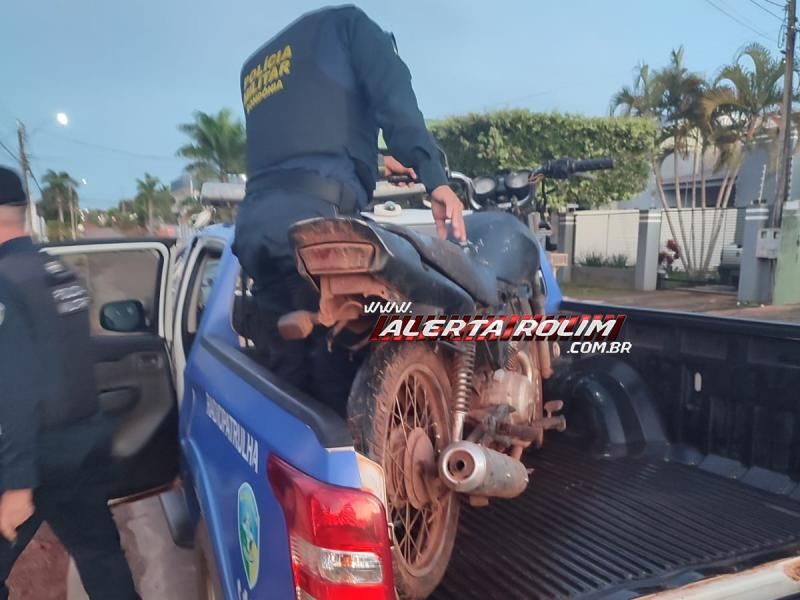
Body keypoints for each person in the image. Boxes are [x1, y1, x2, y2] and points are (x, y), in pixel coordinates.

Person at [233, 5, 467, 414]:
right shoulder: (353, 26)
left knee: (287, 378)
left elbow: (304, 148)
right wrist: (437, 180)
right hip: (316, 226)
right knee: (338, 375)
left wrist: (377, 164)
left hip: (255, 230)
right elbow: (396, 105)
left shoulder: (256, 66)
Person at [0, 166, 140, 600]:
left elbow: (16, 386)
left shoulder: (5, 283)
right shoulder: (57, 273)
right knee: (101, 558)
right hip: (80, 448)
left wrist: (18, 484)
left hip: (32, 458)